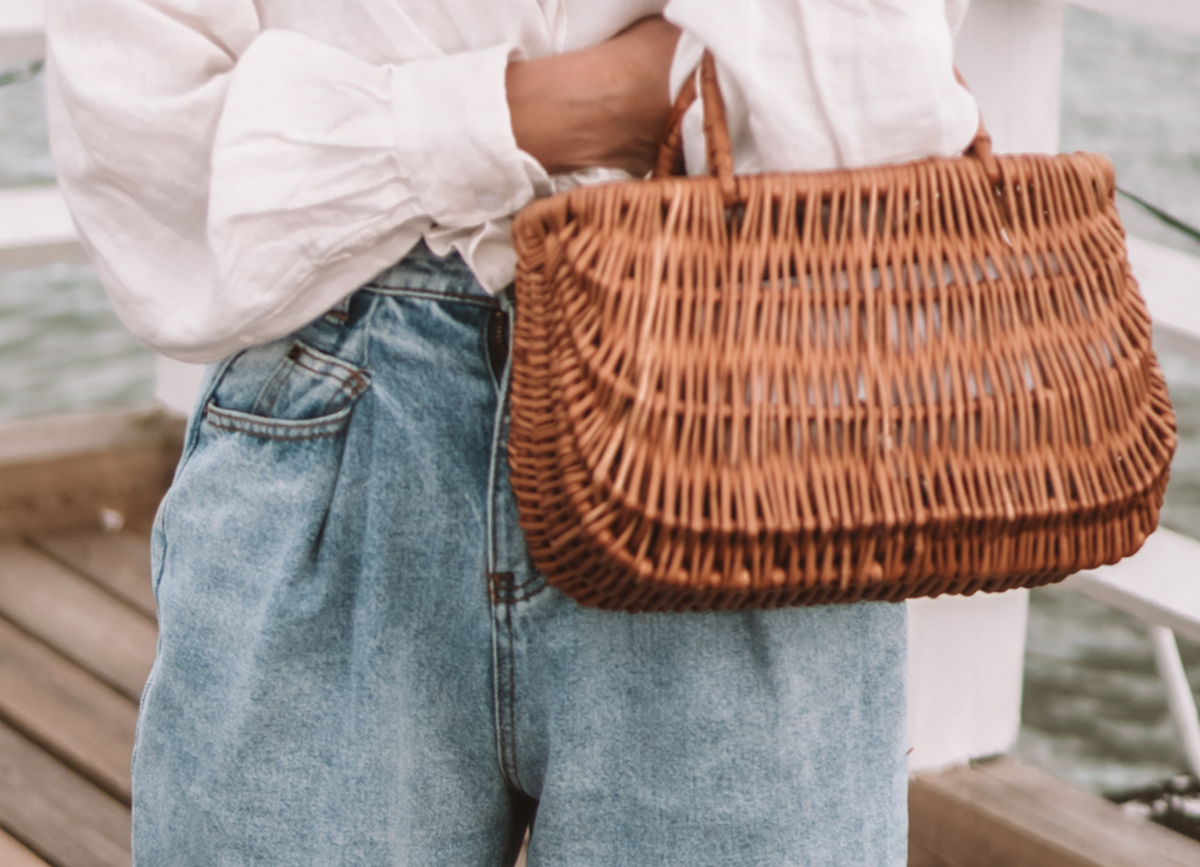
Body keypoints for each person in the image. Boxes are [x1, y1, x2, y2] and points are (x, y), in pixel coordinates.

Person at [46, 1, 978, 864]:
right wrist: (609, 98)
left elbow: (877, 103)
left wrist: (430, 127)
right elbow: (150, 157)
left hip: (738, 400)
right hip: (340, 396)